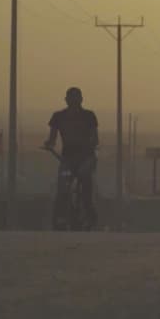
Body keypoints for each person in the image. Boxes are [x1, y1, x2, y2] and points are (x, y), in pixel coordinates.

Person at [43, 87, 99, 230]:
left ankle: (90, 218)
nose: (73, 101)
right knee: (63, 188)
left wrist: (90, 147)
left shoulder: (89, 116)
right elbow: (52, 138)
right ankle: (60, 218)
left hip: (86, 158)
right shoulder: (58, 117)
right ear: (66, 100)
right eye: (71, 98)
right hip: (67, 160)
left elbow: (95, 137)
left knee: (86, 186)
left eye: (76, 98)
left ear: (81, 99)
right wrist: (49, 144)